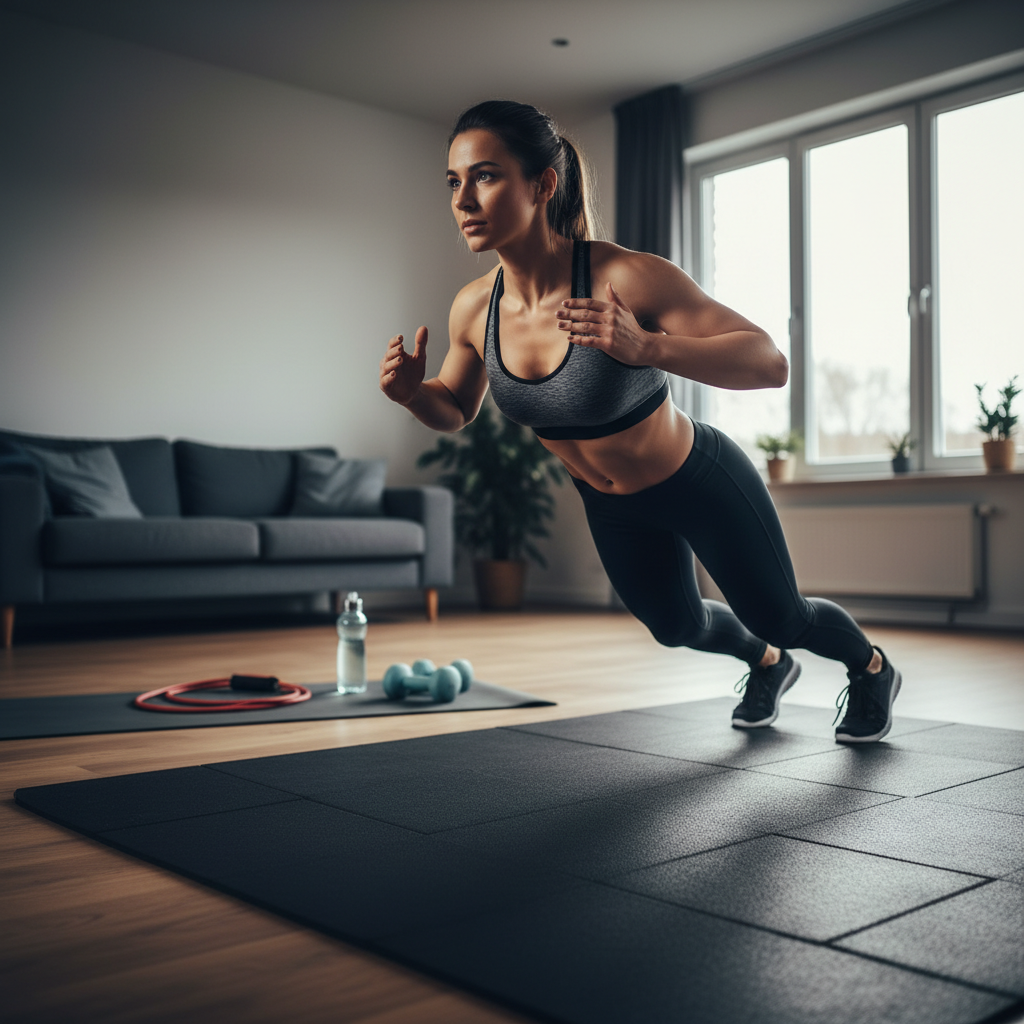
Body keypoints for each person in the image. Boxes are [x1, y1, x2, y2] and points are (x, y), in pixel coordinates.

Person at [379, 99, 901, 743]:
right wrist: (413, 394)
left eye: (485, 176)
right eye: (454, 181)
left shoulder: (623, 276)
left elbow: (769, 362)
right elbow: (456, 409)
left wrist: (649, 347)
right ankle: (766, 663)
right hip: (612, 506)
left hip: (698, 480)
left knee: (783, 616)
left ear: (542, 185)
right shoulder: (473, 308)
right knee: (676, 627)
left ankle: (871, 668)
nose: (463, 199)